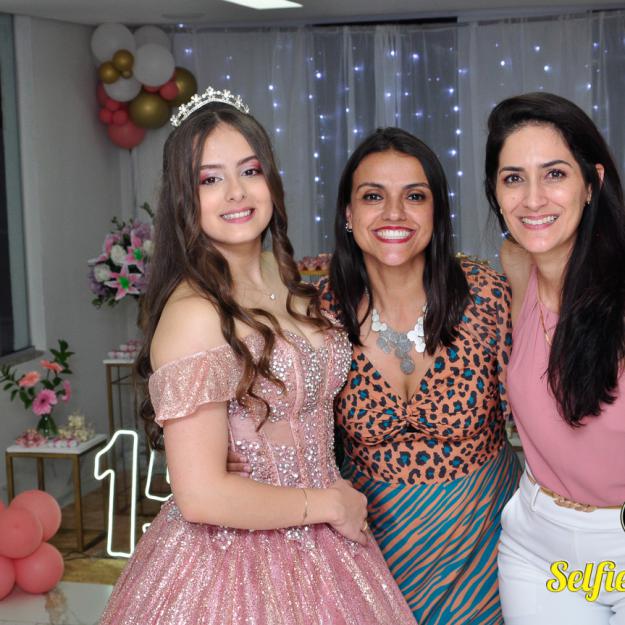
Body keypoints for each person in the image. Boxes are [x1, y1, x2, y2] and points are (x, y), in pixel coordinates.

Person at [98, 89, 416, 625]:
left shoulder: (283, 275)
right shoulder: (194, 312)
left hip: (329, 538)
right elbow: (200, 495)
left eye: (249, 171)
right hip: (233, 558)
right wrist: (327, 503)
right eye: (210, 179)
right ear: (183, 197)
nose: (236, 192)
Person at [321, 127, 521, 624]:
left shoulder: (488, 296)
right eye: (373, 196)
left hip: (487, 549)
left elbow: (544, 416)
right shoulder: (319, 316)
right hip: (370, 553)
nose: (394, 213)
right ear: (348, 214)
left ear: (437, 212)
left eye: (414, 196)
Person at [484, 92, 625, 624]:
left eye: (555, 174)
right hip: (541, 552)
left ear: (592, 183)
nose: (533, 199)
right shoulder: (516, 265)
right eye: (513, 178)